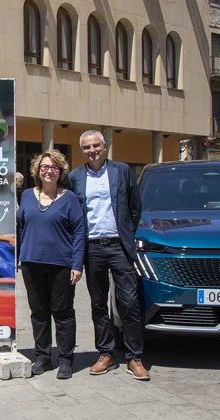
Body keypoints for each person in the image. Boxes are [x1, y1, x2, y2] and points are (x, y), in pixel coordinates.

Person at [67, 130, 149, 381]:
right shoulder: (75, 177)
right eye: (86, 147)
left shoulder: (122, 171)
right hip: (93, 248)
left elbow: (135, 207)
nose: (91, 151)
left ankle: (134, 357)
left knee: (129, 303)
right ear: (82, 150)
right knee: (98, 304)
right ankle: (106, 352)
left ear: (105, 146)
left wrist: (126, 234)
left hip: (119, 246)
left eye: (95, 146)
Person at [17, 150, 85, 379]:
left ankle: (65, 359)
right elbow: (19, 227)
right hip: (31, 263)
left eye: (54, 167)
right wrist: (17, 256)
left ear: (61, 171)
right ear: (37, 170)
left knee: (63, 312)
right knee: (39, 312)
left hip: (62, 265)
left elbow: (79, 232)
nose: (49, 170)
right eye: (45, 166)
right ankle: (43, 357)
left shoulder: (70, 198)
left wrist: (77, 264)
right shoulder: (27, 195)